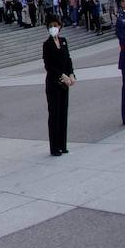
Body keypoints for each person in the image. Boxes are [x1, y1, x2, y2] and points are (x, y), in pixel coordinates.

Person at [41, 16, 75, 156]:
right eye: (51, 26)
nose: (53, 28)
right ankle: (54, 147)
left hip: (65, 83)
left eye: (56, 25)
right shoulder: (47, 44)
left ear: (60, 26)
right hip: (54, 83)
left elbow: (68, 59)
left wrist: (71, 74)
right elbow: (48, 65)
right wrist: (62, 75)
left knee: (63, 113)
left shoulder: (63, 41)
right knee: (54, 115)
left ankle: (63, 144)